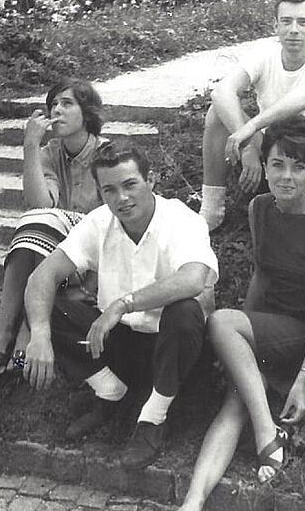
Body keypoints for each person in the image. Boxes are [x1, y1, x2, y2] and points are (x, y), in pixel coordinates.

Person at [164, 116, 305, 511]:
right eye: (278, 164)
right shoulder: (259, 207)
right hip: (270, 325)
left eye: (299, 167)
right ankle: (190, 509)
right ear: (264, 166)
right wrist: (241, 340)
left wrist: (302, 378)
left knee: (223, 324)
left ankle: (268, 432)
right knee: (235, 401)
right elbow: (262, 276)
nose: (287, 176)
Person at [21, 146, 219, 467]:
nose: (122, 198)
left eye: (130, 185)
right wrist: (40, 334)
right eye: (109, 190)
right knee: (44, 304)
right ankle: (112, 393)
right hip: (120, 346)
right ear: (100, 192)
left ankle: (153, 419)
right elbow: (42, 276)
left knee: (185, 311)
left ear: (150, 180)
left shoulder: (183, 219)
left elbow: (193, 279)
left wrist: (123, 305)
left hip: (171, 349)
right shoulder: (99, 222)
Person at [0, 78, 108, 374]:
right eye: (53, 105)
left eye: (67, 104)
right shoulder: (50, 153)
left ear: (87, 112)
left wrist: (93, 283)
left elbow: (113, 225)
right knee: (37, 225)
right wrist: (30, 145)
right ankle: (5, 332)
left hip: (91, 260)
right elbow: (40, 203)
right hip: (53, 251)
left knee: (40, 224)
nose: (57, 111)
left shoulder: (107, 154)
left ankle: (23, 334)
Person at [198, 0, 305, 231]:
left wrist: (252, 127)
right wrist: (247, 148)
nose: (294, 30)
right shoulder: (265, 54)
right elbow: (222, 91)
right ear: (275, 26)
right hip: (271, 154)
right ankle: (212, 210)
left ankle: (304, 220)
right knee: (216, 113)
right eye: (286, 21)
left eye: (303, 22)